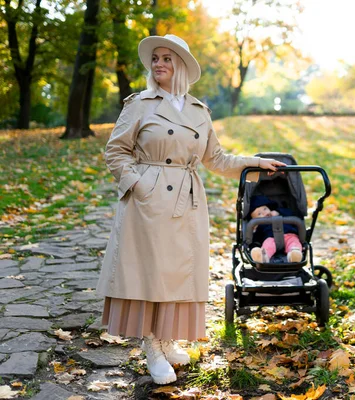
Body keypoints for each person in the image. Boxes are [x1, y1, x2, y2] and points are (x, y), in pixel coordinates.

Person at [96, 34, 285, 385]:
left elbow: (217, 159)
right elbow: (115, 151)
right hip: (147, 201)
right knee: (150, 272)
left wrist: (257, 164)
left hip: (187, 199)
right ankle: (151, 345)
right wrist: (139, 185)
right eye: (155, 58)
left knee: (175, 273)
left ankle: (167, 339)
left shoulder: (199, 111)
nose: (158, 63)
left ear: (181, 65)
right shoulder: (139, 104)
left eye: (167, 58)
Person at [248, 195, 303, 263]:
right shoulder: (260, 225)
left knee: (294, 242)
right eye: (259, 214)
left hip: (289, 234)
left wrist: (279, 212)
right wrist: (254, 230)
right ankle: (263, 257)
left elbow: (291, 213)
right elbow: (256, 240)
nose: (264, 213)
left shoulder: (280, 213)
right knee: (267, 245)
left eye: (265, 209)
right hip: (270, 238)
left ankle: (294, 254)